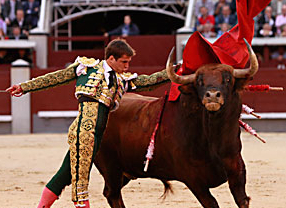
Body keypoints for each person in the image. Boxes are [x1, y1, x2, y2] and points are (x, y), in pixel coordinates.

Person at [6, 39, 169, 208]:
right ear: (111, 59)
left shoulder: (121, 79)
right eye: (124, 62)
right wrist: (24, 87)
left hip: (99, 135)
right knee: (81, 183)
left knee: (65, 174)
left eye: (128, 62)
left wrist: (172, 71)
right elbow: (55, 78)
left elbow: (149, 81)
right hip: (84, 130)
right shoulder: (86, 68)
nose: (127, 66)